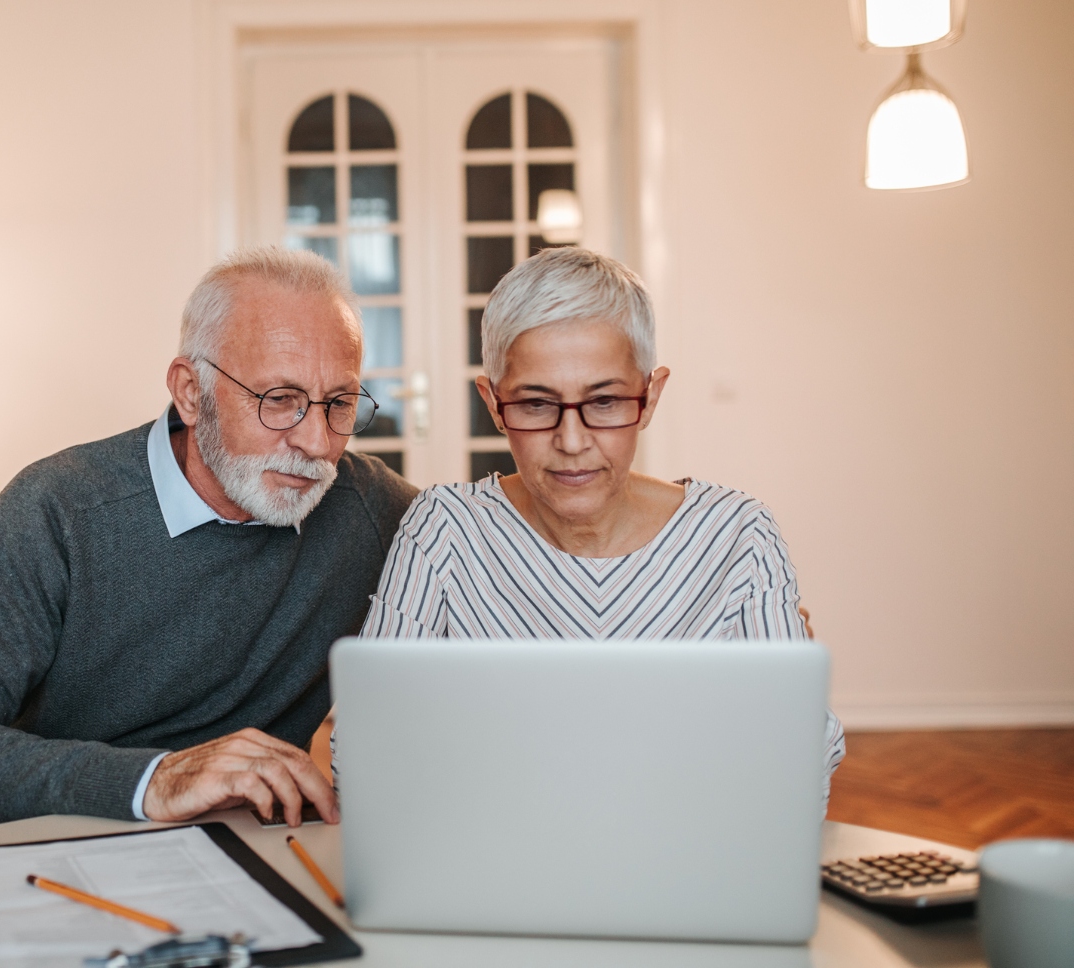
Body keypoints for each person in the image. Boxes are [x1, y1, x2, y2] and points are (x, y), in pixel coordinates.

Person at [0, 247, 417, 831]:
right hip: (54, 838)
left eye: (339, 403)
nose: (315, 441)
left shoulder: (367, 506)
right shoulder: (60, 509)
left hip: (250, 853)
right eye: (278, 400)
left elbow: (492, 528)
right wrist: (156, 779)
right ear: (189, 390)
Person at [358, 247, 845, 798]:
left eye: (606, 401)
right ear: (493, 404)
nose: (571, 442)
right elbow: (369, 751)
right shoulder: (442, 530)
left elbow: (799, 765)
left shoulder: (738, 536)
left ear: (651, 395)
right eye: (537, 405)